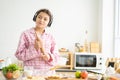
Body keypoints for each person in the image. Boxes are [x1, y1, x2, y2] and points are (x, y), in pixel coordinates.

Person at [15, 9, 59, 76]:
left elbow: (57, 57)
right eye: (39, 17)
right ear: (35, 18)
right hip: (30, 74)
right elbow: (18, 55)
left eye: (45, 19)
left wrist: (48, 57)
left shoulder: (50, 37)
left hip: (47, 74)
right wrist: (35, 49)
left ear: (49, 22)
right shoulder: (25, 34)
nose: (41, 20)